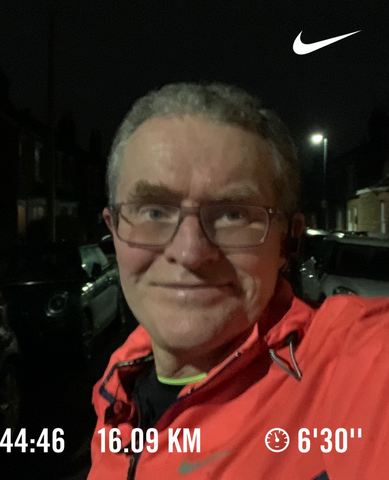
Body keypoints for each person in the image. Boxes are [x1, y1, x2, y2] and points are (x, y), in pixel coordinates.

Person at [87, 83, 389, 480]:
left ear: (288, 241)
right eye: (154, 212)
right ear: (114, 230)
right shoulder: (116, 390)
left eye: (233, 215)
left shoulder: (348, 368)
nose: (190, 252)